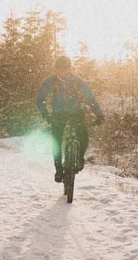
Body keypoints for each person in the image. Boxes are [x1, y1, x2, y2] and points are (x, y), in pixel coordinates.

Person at [35, 55, 104, 183]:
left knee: (83, 136)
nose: (63, 72)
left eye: (66, 69)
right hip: (58, 114)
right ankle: (58, 169)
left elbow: (90, 98)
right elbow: (40, 99)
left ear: (69, 68)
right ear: (56, 69)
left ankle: (79, 158)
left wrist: (98, 114)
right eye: (60, 69)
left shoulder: (76, 81)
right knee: (56, 141)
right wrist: (46, 114)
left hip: (75, 112)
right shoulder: (51, 81)